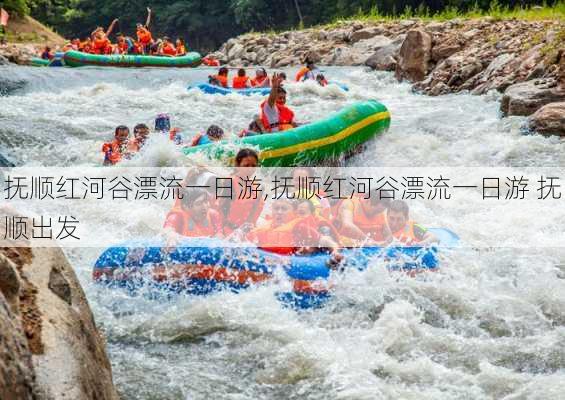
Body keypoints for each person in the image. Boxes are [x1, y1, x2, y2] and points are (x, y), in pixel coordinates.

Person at [218, 149, 264, 235]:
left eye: (253, 166)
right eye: (246, 165)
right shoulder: (230, 182)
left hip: (250, 233)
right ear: (238, 165)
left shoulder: (256, 186)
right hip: (230, 233)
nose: (250, 169)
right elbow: (221, 210)